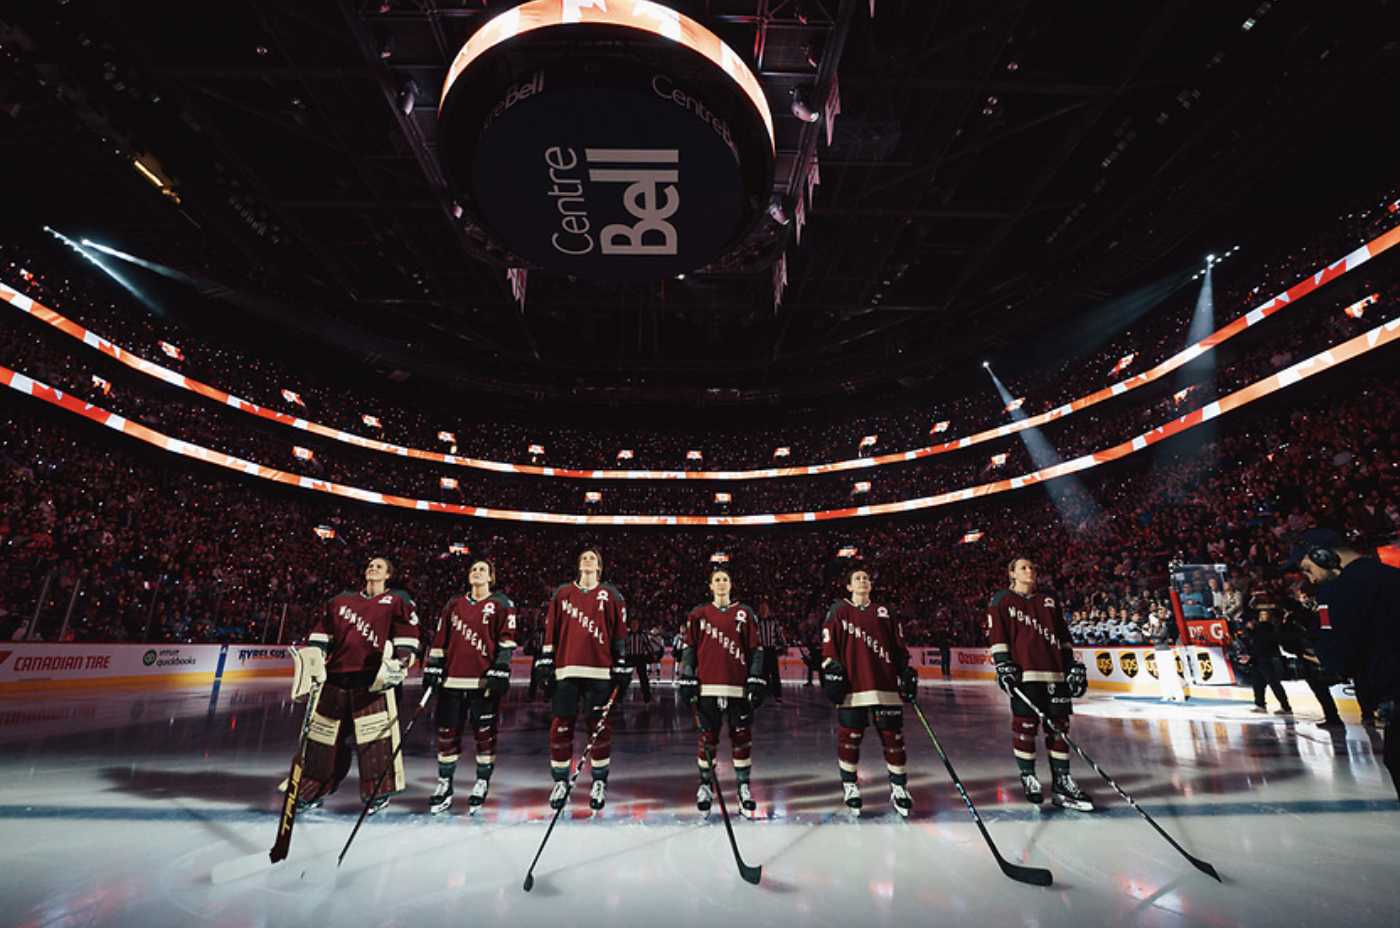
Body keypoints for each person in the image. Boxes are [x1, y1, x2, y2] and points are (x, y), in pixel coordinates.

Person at [297, 556, 421, 813]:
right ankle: (314, 786)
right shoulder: (341, 601)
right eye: (370, 565)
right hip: (336, 676)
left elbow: (407, 633)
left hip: (374, 679)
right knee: (325, 737)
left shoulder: (398, 600)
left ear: (388, 575)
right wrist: (315, 657)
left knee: (375, 738)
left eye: (379, 566)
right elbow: (322, 634)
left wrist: (402, 660)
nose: (373, 568)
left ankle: (377, 790)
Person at [1291, 528, 1400, 801]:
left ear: (1323, 556)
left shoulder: (1337, 591)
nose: (1310, 578)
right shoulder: (1393, 576)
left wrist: (1322, 654)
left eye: (1308, 568)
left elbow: (1339, 660)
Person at [987, 557, 1093, 811]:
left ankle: (1062, 783)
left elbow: (1063, 637)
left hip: (1055, 674)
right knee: (1025, 727)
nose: (1030, 571)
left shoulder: (1049, 601)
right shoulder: (1002, 599)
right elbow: (997, 633)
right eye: (1023, 568)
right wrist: (1003, 664)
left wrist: (1072, 666)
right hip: (1025, 675)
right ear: (1011, 574)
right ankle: (1029, 777)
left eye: (1032, 567)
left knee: (1059, 729)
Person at [534, 547, 629, 813]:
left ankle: (598, 782)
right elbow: (551, 628)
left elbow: (619, 633)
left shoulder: (611, 595)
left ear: (599, 567)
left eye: (593, 558)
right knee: (561, 725)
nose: (587, 561)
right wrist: (546, 659)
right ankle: (560, 782)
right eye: (583, 557)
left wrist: (620, 661)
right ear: (579, 565)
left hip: (600, 670)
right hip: (566, 669)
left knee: (598, 728)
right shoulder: (563, 593)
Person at [819, 566, 919, 816]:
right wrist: (832, 671)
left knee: (893, 738)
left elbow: (898, 646)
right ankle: (850, 785)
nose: (863, 581)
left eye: (866, 578)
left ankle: (899, 788)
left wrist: (905, 670)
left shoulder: (885, 611)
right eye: (857, 578)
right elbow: (829, 647)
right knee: (850, 737)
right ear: (849, 586)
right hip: (853, 686)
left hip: (885, 684)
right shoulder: (838, 610)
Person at [423, 558, 517, 814]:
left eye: (482, 570)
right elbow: (441, 637)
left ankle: (482, 781)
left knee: (484, 735)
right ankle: (445, 783)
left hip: (483, 682)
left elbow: (507, 640)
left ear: (491, 578)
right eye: (474, 569)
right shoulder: (454, 604)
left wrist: (501, 667)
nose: (477, 573)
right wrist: (433, 665)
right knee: (447, 735)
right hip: (452, 680)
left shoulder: (501, 604)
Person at [678, 567, 765, 818]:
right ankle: (706, 785)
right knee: (707, 739)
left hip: (737, 685)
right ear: (710, 586)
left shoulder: (744, 613)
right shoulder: (699, 614)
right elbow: (690, 648)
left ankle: (743, 787)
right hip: (707, 686)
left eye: (725, 579)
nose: (721, 583)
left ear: (731, 584)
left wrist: (756, 677)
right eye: (717, 580)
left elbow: (755, 649)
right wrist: (688, 675)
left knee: (742, 739)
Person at [1275, 593, 1344, 729]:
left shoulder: (1293, 620)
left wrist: (1301, 653)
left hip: (1309, 656)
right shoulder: (1308, 614)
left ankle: (1333, 717)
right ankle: (1333, 716)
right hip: (1318, 651)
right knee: (1322, 689)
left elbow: (1292, 640)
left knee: (1320, 689)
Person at [1241, 600, 1293, 715]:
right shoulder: (1258, 630)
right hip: (1257, 659)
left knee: (1273, 683)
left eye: (1265, 615)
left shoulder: (1269, 629)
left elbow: (1262, 643)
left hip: (1265, 659)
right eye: (1262, 615)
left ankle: (1286, 707)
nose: (1263, 616)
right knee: (1258, 683)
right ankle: (1260, 704)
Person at [755, 604, 787, 704]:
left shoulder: (773, 621)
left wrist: (784, 646)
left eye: (765, 609)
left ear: (768, 610)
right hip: (761, 650)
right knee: (761, 674)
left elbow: (779, 635)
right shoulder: (756, 622)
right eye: (761, 608)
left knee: (774, 674)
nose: (763, 611)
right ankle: (762, 694)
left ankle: (777, 694)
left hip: (771, 650)